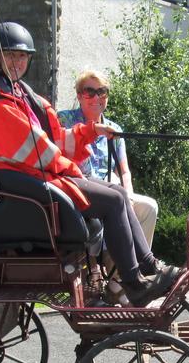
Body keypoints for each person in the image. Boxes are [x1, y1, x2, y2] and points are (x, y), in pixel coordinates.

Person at [0, 21, 178, 307]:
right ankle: (134, 284)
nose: (17, 61)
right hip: (31, 187)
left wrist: (91, 131)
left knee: (117, 194)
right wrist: (75, 170)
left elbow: (54, 138)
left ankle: (148, 266)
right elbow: (40, 152)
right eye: (10, 55)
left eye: (22, 56)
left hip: (39, 179)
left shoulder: (18, 93)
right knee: (113, 201)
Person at [57, 69, 159, 243]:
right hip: (80, 194)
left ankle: (136, 265)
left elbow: (124, 171)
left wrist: (129, 195)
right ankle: (118, 264)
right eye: (90, 92)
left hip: (113, 191)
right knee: (113, 207)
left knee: (149, 207)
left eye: (101, 92)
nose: (96, 97)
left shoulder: (114, 130)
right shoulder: (64, 120)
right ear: (79, 96)